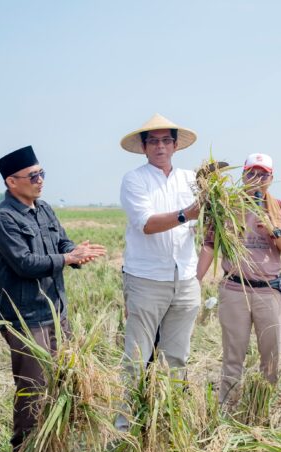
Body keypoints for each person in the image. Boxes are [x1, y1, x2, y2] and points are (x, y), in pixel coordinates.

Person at [0, 146, 105, 452]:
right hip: (27, 318)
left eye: (42, 173)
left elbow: (62, 241)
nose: (40, 181)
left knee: (61, 385)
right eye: (33, 176)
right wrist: (67, 257)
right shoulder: (4, 219)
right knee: (33, 391)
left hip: (56, 313)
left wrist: (77, 252)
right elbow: (24, 263)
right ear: (12, 182)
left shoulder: (45, 209)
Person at [117, 113, 201, 429]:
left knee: (176, 358)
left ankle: (167, 424)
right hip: (146, 280)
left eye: (166, 140)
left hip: (185, 280)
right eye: (153, 141)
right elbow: (147, 224)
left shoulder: (191, 180)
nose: (160, 147)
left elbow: (204, 226)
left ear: (176, 145)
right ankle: (124, 430)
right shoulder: (134, 180)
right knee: (137, 360)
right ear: (144, 147)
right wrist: (186, 214)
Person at [196, 153, 281, 405]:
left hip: (269, 291)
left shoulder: (280, 208)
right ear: (243, 175)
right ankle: (227, 410)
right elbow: (210, 246)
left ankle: (263, 408)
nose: (257, 179)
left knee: (271, 356)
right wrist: (194, 282)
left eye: (263, 175)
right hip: (234, 289)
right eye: (252, 173)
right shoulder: (226, 206)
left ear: (271, 179)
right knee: (233, 355)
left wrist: (273, 231)